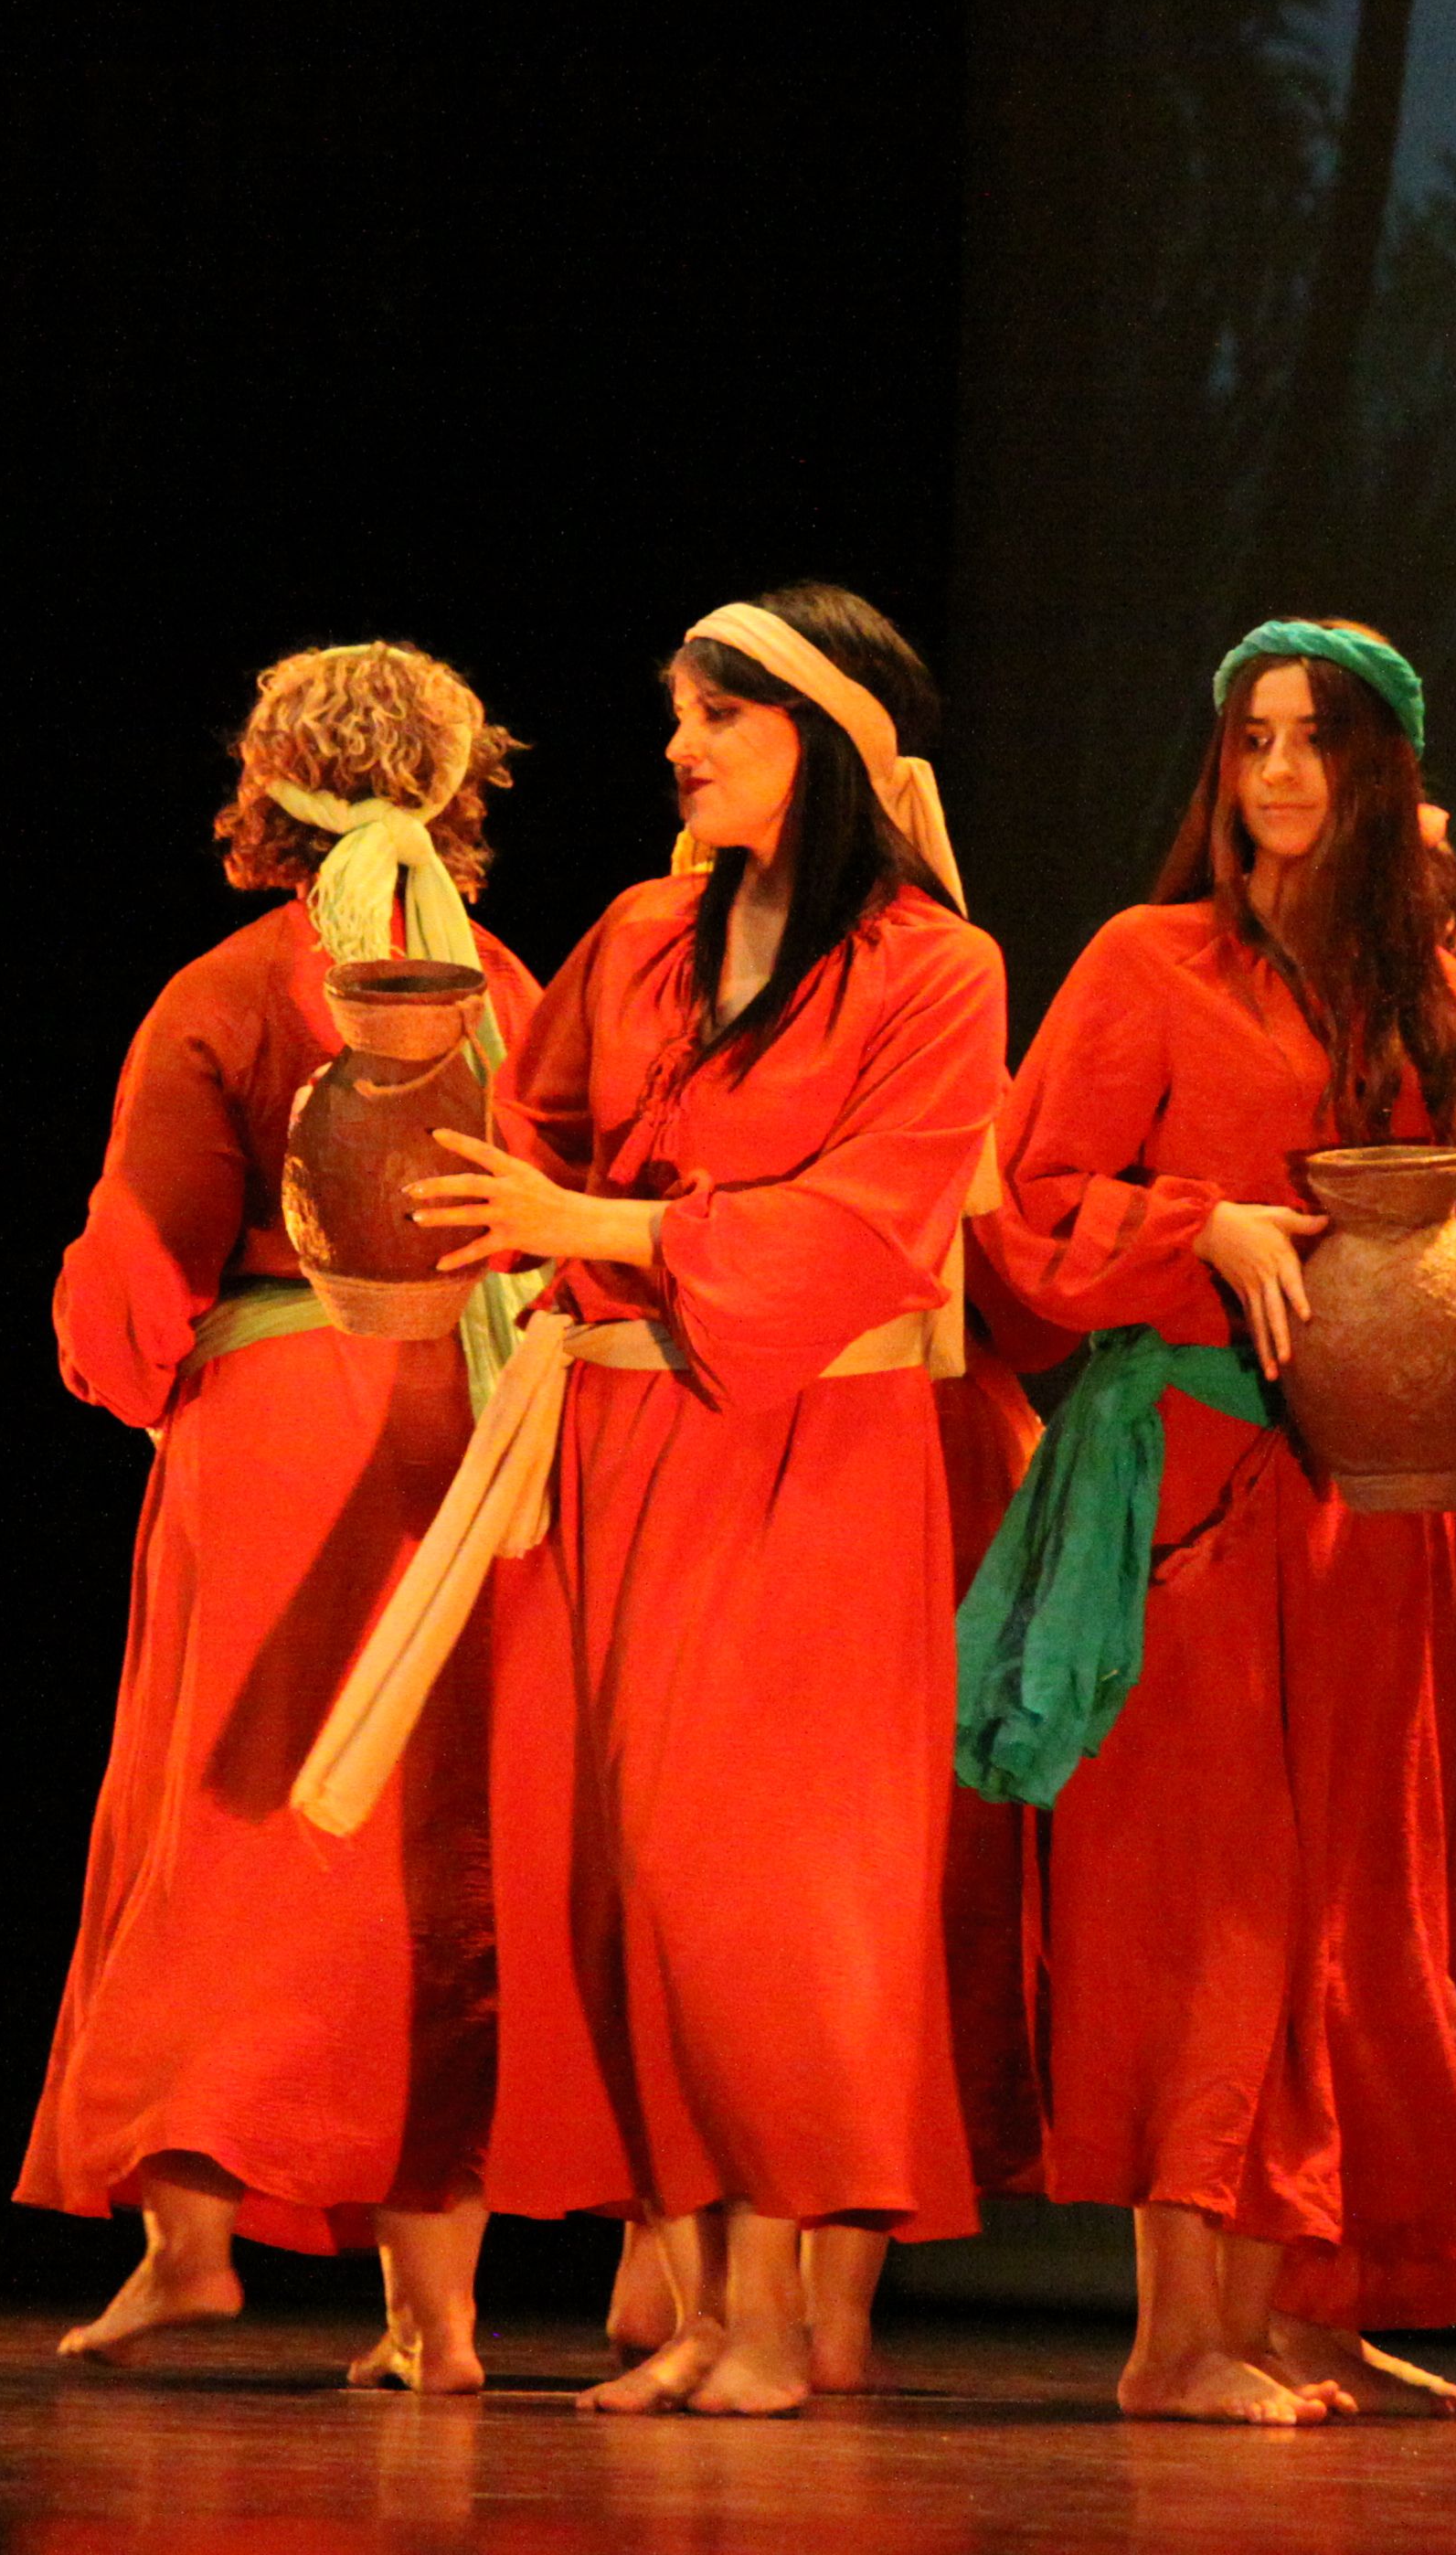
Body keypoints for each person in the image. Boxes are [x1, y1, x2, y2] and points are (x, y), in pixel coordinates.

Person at [957, 620, 1456, 2426]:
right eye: (1253, 741)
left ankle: (1299, 2303)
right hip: (1199, 1488)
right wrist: (1200, 1226)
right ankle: (1175, 2339)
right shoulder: (1150, 963)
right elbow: (1031, 1203)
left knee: (1362, 1907)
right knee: (1208, 1902)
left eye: (1317, 744)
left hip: (1383, 1525)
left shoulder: (1421, 1000)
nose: (1278, 775)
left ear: (1383, 778)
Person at [401, 584, 1007, 2417]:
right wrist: (510, 1212)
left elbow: (877, 1219)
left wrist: (630, 1232)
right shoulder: (646, 931)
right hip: (628, 1447)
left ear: (818, 740)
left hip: (814, 1456)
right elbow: (545, 1137)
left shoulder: (933, 970)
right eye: (679, 709)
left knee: (770, 1888)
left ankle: (782, 2318)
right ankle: (708, 2305)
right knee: (639, 1877)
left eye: (721, 715)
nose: (680, 744)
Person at [20, 641, 543, 2396]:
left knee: (226, 1830)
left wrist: (116, 1358)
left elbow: (145, 1270)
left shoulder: (229, 993)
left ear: (270, 788)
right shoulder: (513, 993)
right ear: (458, 793)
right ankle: (440, 2313)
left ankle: (191, 2246)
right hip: (466, 1439)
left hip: (274, 1442)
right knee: (433, 1853)